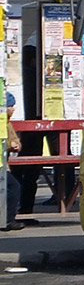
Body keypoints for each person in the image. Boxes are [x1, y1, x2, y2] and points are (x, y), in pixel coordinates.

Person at [4, 92, 24, 231]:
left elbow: (14, 139)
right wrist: (10, 145)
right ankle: (8, 219)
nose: (13, 109)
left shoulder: (8, 124)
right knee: (14, 187)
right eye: (11, 106)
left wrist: (16, 145)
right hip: (2, 166)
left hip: (3, 164)